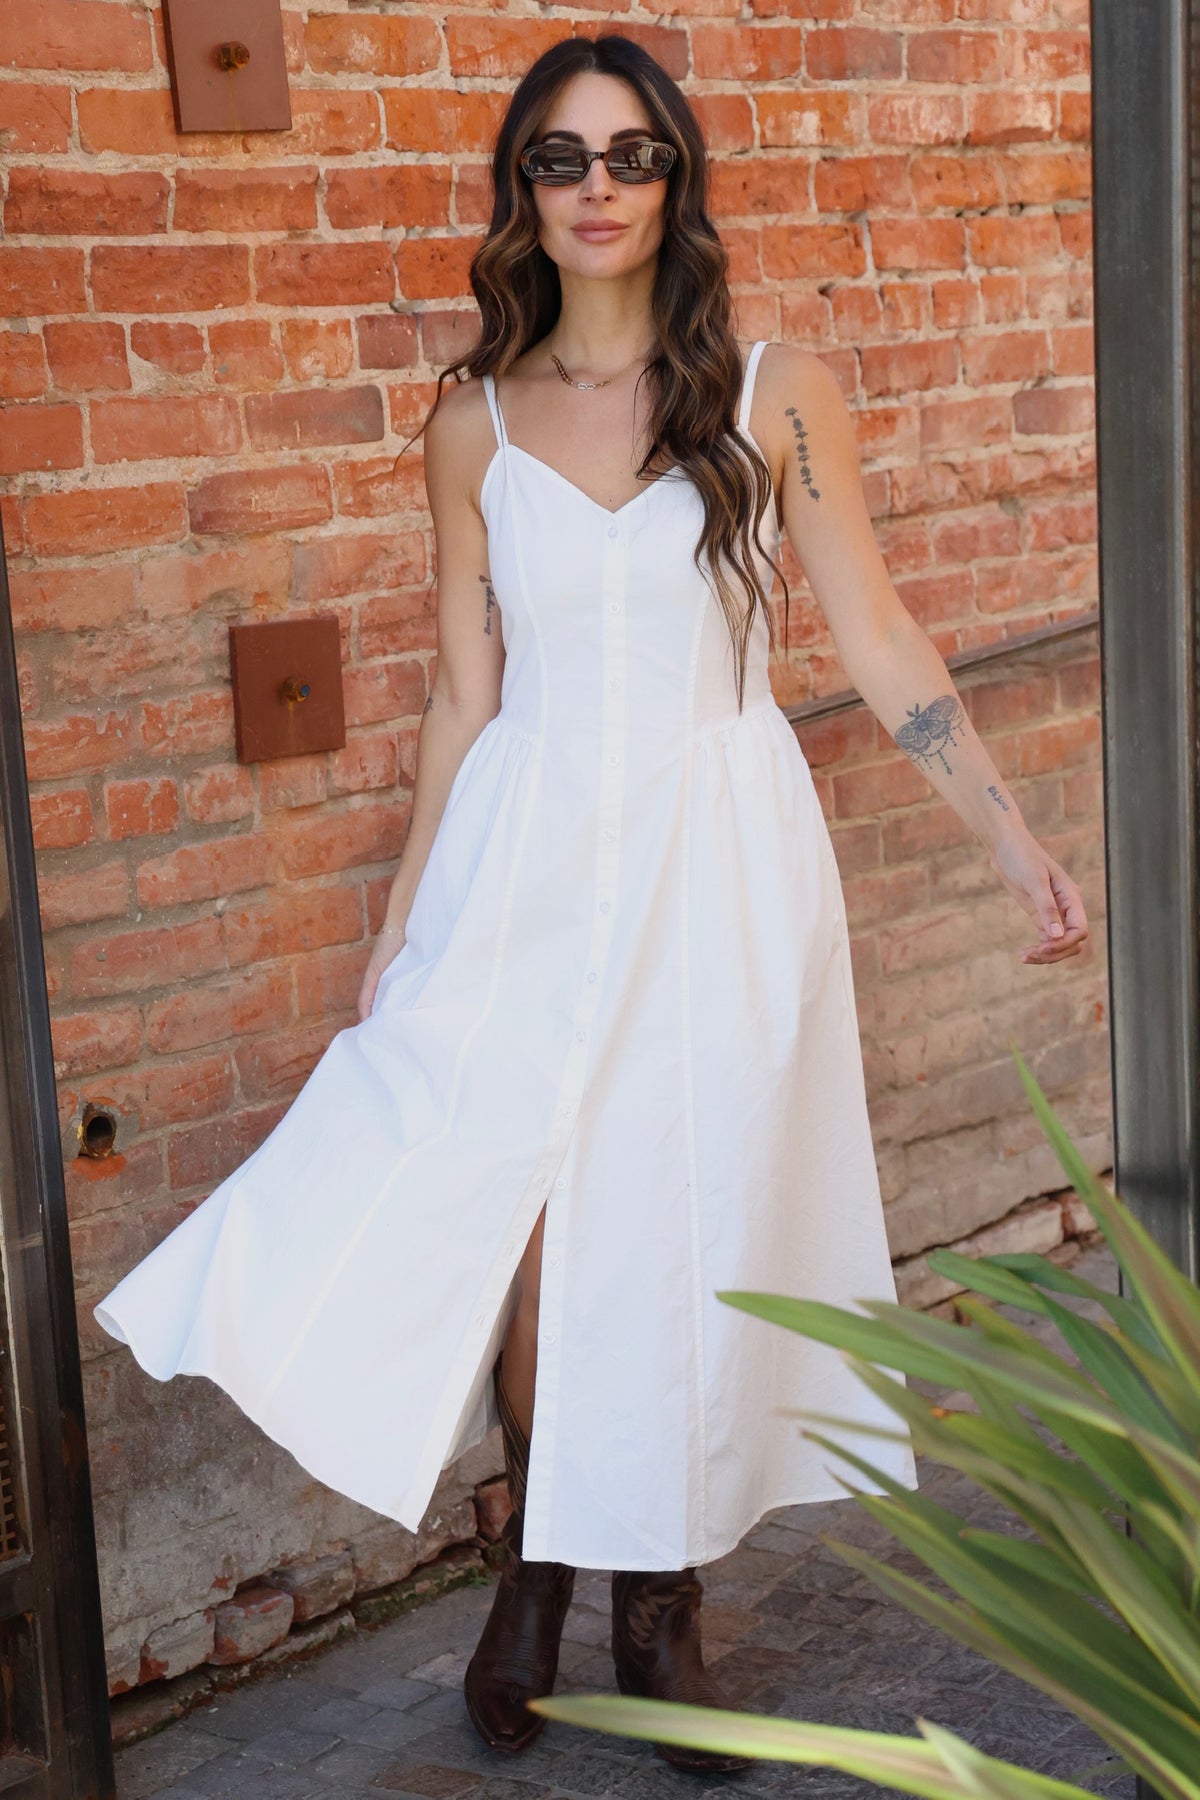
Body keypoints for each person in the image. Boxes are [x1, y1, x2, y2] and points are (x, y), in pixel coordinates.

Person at [94, 30, 1089, 1779]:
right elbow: (461, 697)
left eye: (632, 157)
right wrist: (401, 923)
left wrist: (1006, 837)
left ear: (675, 180)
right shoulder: (469, 426)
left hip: (718, 851)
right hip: (528, 856)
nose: (601, 189)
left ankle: (663, 1612)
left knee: (691, 1237)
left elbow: (871, 630)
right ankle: (534, 1569)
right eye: (564, 159)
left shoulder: (776, 387)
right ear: (523, 194)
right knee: (534, 1250)